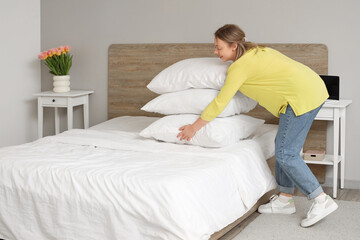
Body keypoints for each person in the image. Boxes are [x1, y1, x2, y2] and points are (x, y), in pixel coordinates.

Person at [176, 24, 338, 227]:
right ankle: (285, 199)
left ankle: (321, 199)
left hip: (299, 98)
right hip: (314, 88)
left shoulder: (239, 68)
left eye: (219, 47)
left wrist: (194, 127)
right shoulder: (260, 51)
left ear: (234, 46)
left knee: (286, 154)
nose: (215, 51)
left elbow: (220, 102)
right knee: (283, 146)